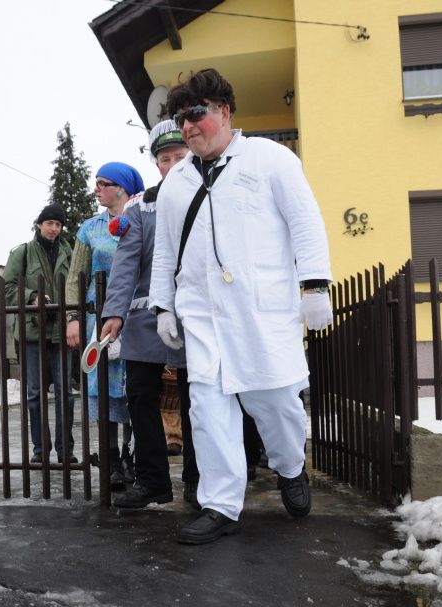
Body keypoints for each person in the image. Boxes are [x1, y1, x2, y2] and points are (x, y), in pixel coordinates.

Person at [148, 68, 334, 545]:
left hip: (261, 311)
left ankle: (291, 467)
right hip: (204, 313)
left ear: (224, 112)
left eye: (195, 114)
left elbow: (305, 222)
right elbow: (167, 250)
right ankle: (221, 504)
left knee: (273, 403)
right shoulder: (177, 182)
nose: (187, 126)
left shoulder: (270, 158)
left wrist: (314, 285)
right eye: (180, 119)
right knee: (207, 410)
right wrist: (163, 306)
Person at [100, 120, 196, 509]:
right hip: (144, 320)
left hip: (194, 318)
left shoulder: (206, 197)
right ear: (156, 164)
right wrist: (114, 314)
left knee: (197, 400)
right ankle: (153, 481)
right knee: (141, 396)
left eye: (178, 157)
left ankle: (199, 481)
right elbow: (125, 264)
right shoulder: (140, 208)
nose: (171, 164)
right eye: (164, 159)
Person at [65, 162, 144, 489]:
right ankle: (110, 462)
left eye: (103, 183)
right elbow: (74, 278)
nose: (96, 188)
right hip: (99, 321)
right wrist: (72, 318)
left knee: (135, 390)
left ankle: (131, 459)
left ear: (122, 188)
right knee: (103, 392)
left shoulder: (143, 218)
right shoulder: (90, 229)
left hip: (138, 318)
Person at [2, 203, 75, 465]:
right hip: (32, 331)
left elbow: (77, 285)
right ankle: (39, 451)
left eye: (58, 224)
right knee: (34, 392)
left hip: (62, 331)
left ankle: (66, 451)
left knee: (65, 393)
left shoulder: (69, 253)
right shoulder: (23, 253)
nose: (54, 229)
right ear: (39, 224)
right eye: (49, 223)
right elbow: (7, 286)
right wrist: (31, 297)